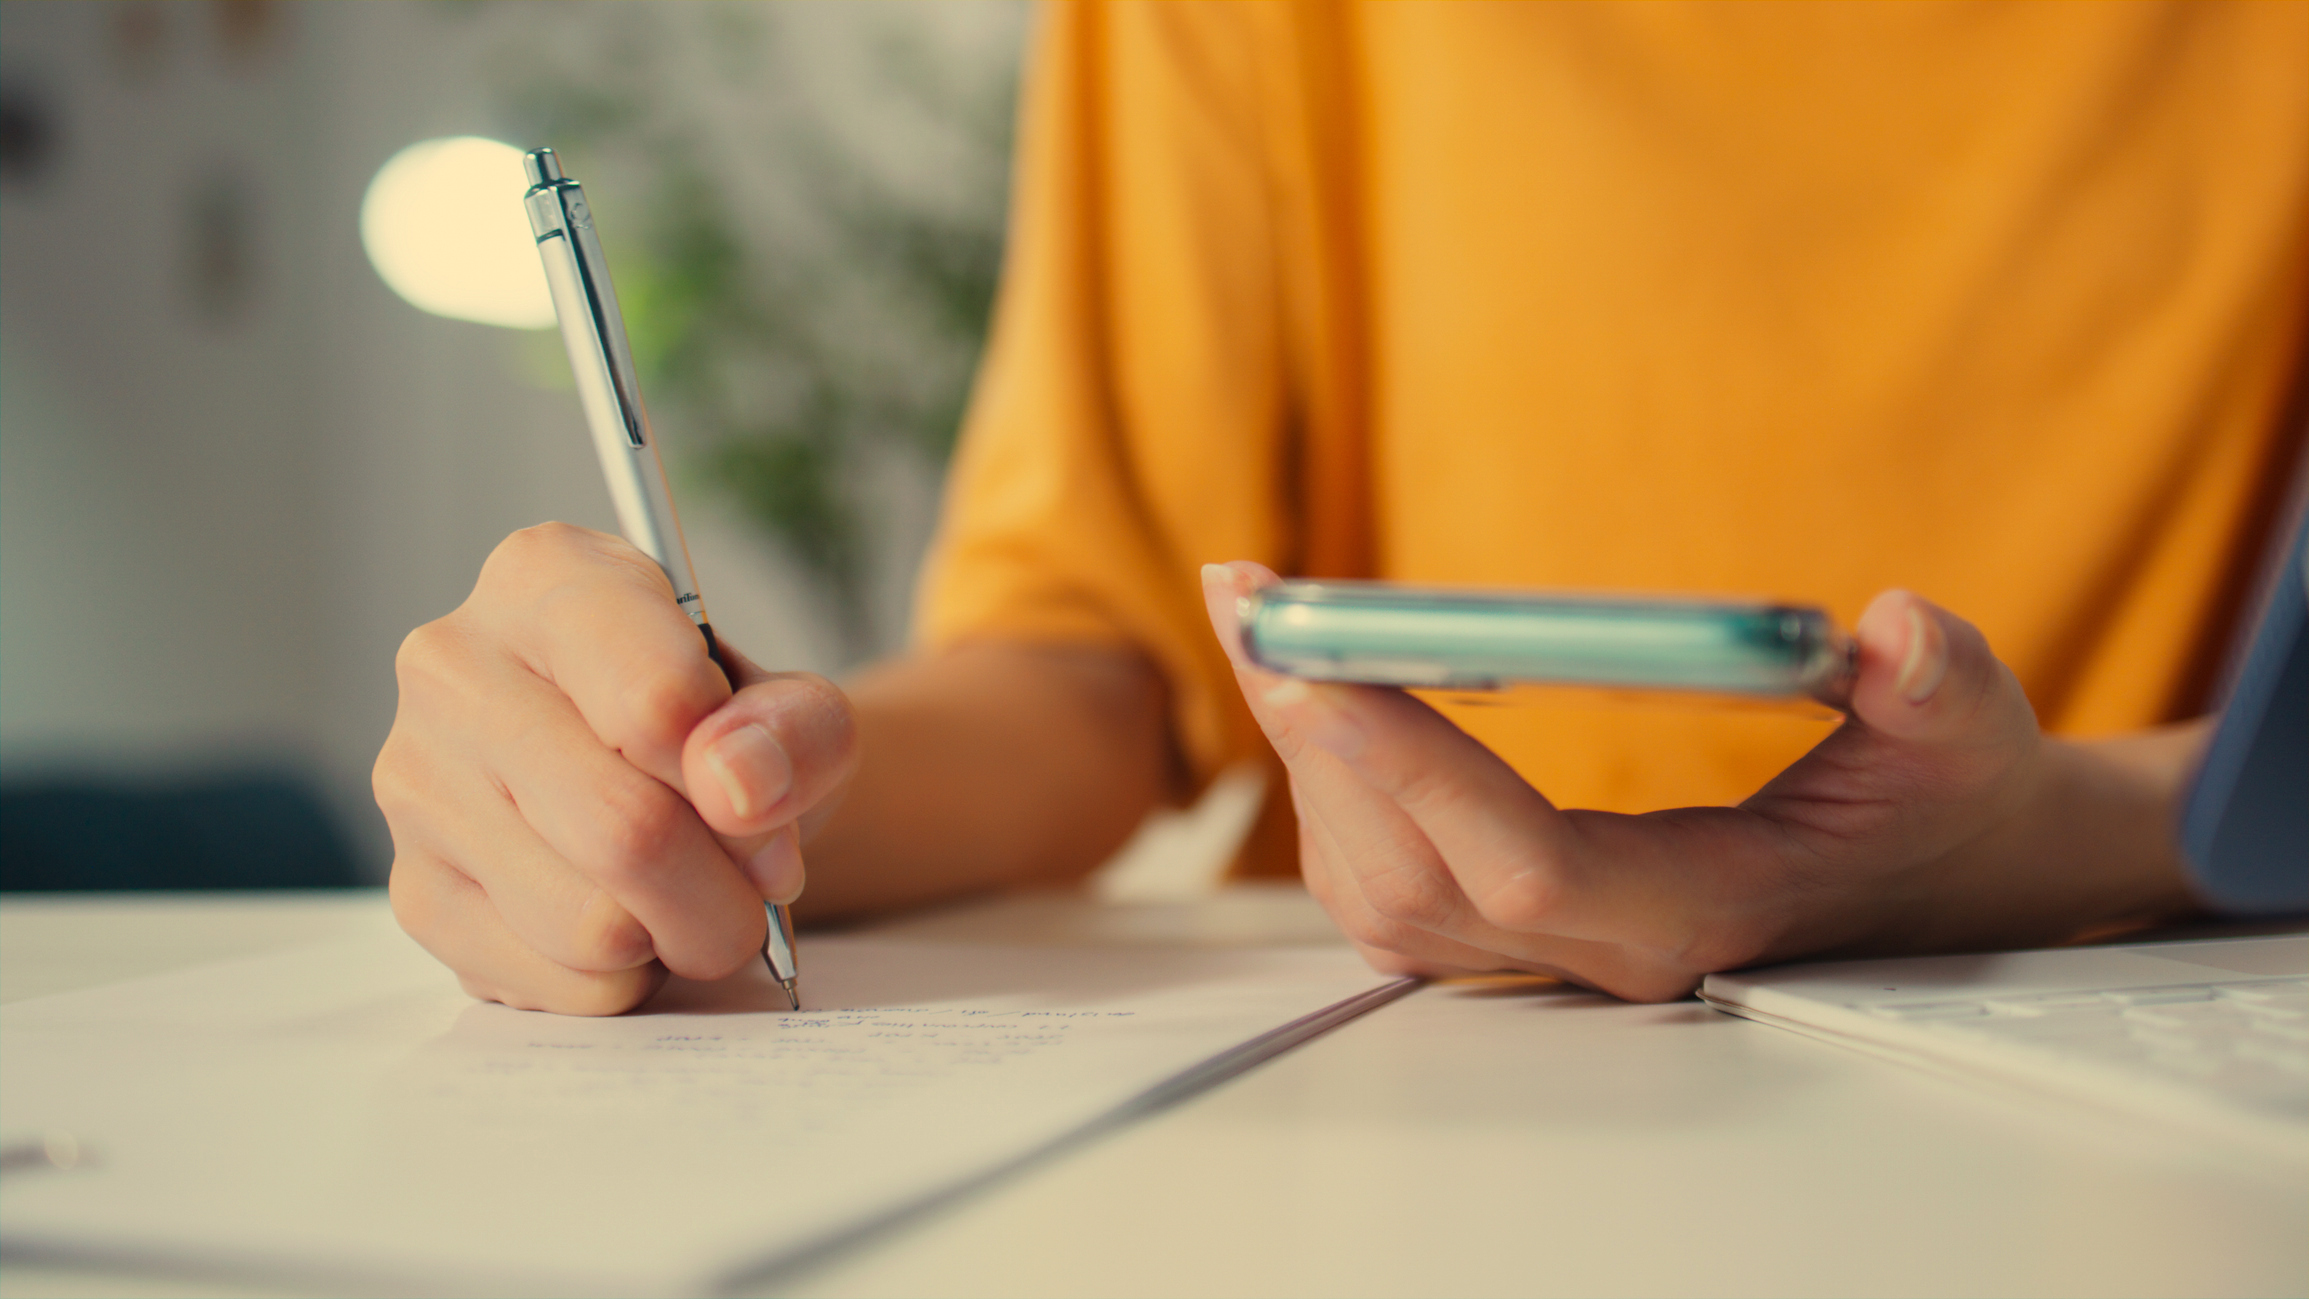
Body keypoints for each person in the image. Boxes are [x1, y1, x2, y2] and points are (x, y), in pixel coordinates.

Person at [374, 1, 2308, 1014]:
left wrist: (2061, 833)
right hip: (1363, 1094)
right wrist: (688, 790)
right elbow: (1093, 673)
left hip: (2106, 1016)